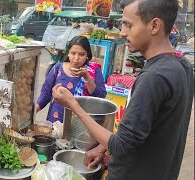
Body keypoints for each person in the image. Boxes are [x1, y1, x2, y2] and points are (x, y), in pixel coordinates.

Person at [52, 0, 194, 179]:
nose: (122, 32)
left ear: (155, 25)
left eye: (128, 24)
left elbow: (120, 146)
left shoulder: (154, 77)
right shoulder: (181, 65)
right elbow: (143, 129)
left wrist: (73, 104)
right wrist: (103, 146)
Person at [36, 36, 106, 123]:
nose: (76, 58)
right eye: (73, 53)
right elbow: (45, 94)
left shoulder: (93, 70)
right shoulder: (58, 68)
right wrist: (32, 112)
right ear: (68, 53)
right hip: (55, 121)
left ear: (87, 54)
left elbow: (101, 97)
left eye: (81, 54)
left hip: (79, 125)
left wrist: (87, 77)